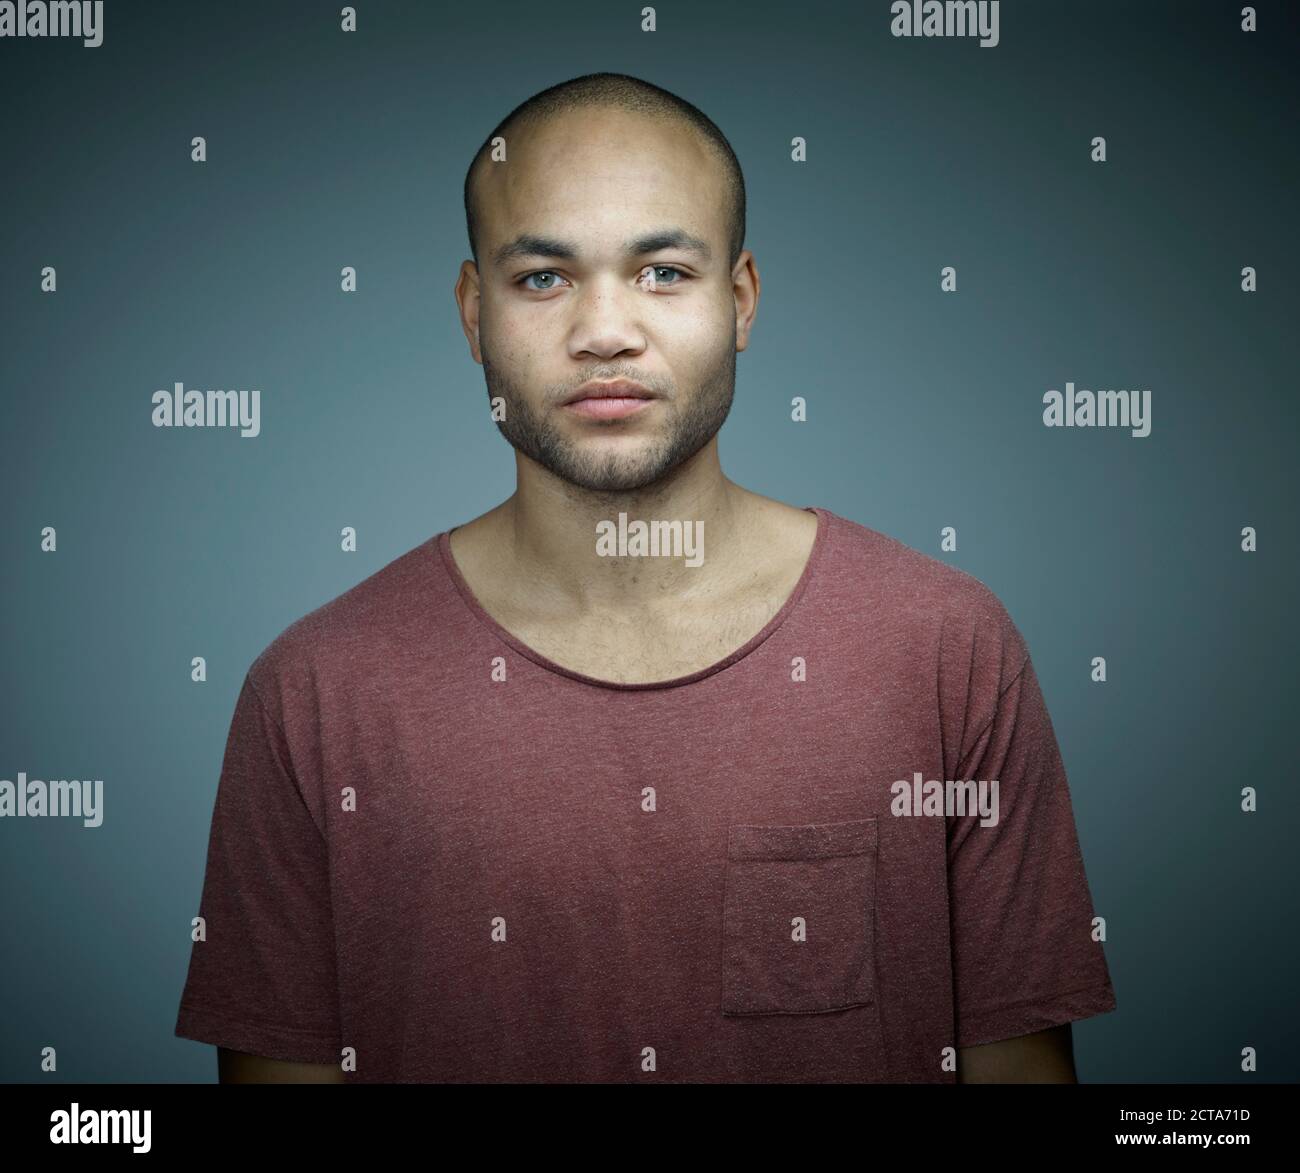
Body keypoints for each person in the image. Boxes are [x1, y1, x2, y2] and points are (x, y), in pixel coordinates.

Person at [175, 71, 1116, 1084]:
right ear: (472, 312)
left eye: (663, 271)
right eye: (542, 278)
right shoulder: (316, 691)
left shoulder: (946, 649)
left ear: (741, 300)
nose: (606, 331)